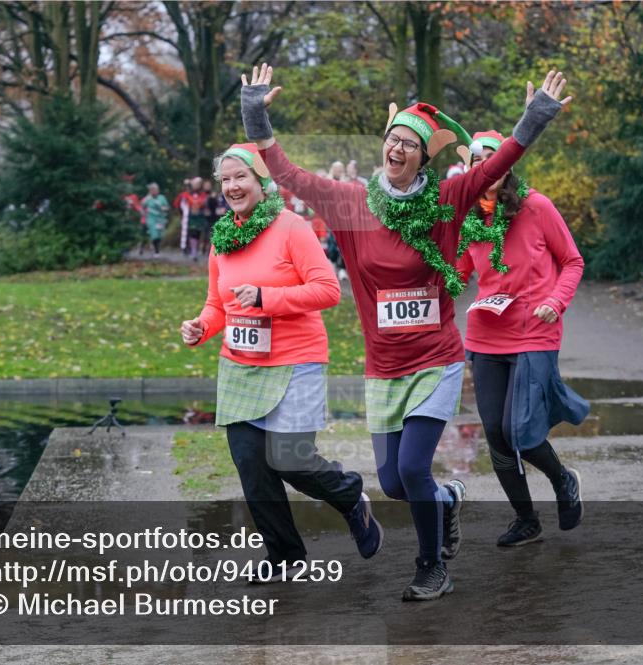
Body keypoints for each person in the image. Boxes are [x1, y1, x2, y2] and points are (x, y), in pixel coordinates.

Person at [240, 62, 571, 600]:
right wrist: (256, 113)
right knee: (394, 483)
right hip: (384, 367)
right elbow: (287, 174)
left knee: (414, 467)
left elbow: (494, 169)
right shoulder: (350, 203)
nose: (397, 150)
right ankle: (447, 503)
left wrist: (533, 119)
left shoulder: (446, 200)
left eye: (408, 145)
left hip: (436, 359)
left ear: (423, 157)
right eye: (392, 141)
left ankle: (431, 567)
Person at [179, 143, 384, 578]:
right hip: (240, 364)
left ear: (261, 181)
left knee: (290, 459)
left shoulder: (291, 227)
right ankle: (285, 557)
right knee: (253, 467)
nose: (233, 186)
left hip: (296, 360)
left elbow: (327, 289)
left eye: (241, 177)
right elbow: (218, 304)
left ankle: (350, 497)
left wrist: (267, 298)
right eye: (226, 180)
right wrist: (200, 326)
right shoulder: (222, 238)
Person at [454, 130, 587, 546]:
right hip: (486, 334)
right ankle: (526, 519)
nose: (485, 167)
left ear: (507, 163)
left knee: (520, 432)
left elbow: (572, 261)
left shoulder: (536, 206)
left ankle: (563, 480)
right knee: (495, 432)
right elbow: (456, 275)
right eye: (478, 161)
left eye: (492, 158)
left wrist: (556, 300)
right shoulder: (469, 216)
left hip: (535, 330)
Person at [141, 183, 169, 255]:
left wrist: (164, 209)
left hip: (160, 219)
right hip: (151, 219)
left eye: (156, 189)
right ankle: (156, 251)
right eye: (152, 190)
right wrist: (143, 213)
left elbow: (167, 207)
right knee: (154, 234)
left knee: (159, 235)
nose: (154, 191)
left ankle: (156, 247)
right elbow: (142, 206)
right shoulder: (148, 198)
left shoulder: (162, 197)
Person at [174, 178, 193, 253]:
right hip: (185, 216)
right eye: (186, 186)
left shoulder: (193, 195)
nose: (187, 188)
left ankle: (190, 247)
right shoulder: (182, 195)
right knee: (184, 231)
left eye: (189, 186)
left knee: (191, 231)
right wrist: (180, 213)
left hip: (192, 216)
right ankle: (184, 247)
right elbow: (176, 204)